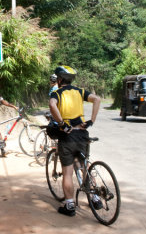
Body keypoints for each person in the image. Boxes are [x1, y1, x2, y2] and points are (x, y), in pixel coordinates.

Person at [49, 66, 101, 217]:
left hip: (68, 136)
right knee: (84, 166)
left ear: (59, 79)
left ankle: (70, 204)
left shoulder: (57, 93)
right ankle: (95, 197)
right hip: (83, 134)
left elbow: (52, 105)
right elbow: (97, 99)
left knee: (67, 171)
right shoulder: (80, 91)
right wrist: (91, 120)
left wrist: (62, 123)